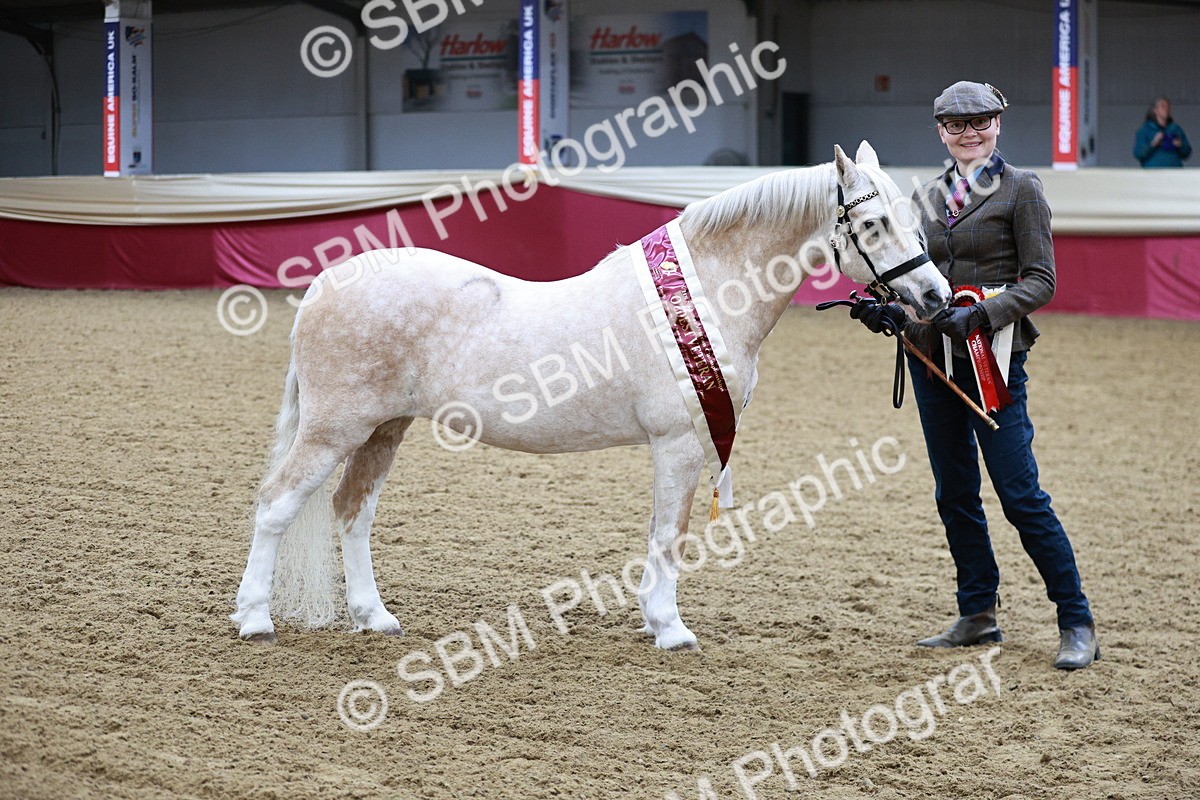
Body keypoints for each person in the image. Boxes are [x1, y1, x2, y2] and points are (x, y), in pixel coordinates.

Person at [851, 80, 1099, 670]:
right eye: (956, 125)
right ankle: (978, 613)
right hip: (932, 359)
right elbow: (915, 278)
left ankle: (1076, 620)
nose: (969, 133)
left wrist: (983, 314)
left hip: (996, 360)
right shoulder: (924, 198)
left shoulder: (1022, 189)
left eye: (980, 122)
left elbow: (1041, 281)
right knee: (955, 492)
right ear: (941, 132)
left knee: (1020, 494)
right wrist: (890, 311)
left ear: (998, 124)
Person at [1134, 96, 1191, 168]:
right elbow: (1138, 154)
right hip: (1153, 172)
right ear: (1155, 110)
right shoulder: (1145, 130)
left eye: (1168, 106)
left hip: (1174, 171)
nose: (1166, 109)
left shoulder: (1176, 129)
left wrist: (1180, 145)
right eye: (1163, 106)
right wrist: (1153, 144)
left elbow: (1187, 153)